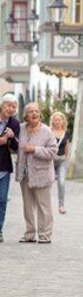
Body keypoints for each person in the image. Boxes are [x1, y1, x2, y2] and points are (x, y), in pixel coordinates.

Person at [16, 103, 58, 244]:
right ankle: (29, 234)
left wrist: (35, 149)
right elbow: (14, 144)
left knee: (44, 206)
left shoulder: (47, 131)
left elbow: (53, 151)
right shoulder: (21, 129)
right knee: (27, 206)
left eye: (36, 111)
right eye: (30, 112)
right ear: (26, 116)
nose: (34, 114)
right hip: (25, 173)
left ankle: (45, 235)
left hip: (42, 174)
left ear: (40, 115)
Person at [0, 94, 21, 243]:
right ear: (2, 105)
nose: (10, 108)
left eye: (13, 106)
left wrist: (13, 138)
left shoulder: (14, 123)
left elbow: (14, 148)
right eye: (8, 105)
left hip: (4, 167)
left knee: (2, 200)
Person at [50, 112, 70, 215]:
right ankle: (46, 204)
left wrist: (67, 159)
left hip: (62, 160)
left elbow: (67, 147)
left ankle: (61, 205)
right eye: (55, 119)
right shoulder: (49, 132)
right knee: (47, 182)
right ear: (53, 121)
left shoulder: (66, 133)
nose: (57, 121)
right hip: (50, 160)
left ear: (62, 121)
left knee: (61, 182)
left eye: (59, 119)